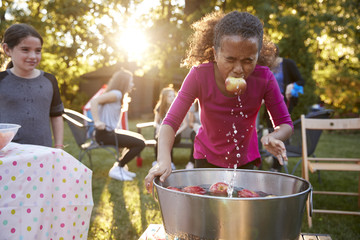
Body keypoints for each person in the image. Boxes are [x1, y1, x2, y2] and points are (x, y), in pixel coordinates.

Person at [145, 11, 293, 192]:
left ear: (257, 54)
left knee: (240, 215)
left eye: (248, 60)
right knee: (208, 214)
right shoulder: (199, 75)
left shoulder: (265, 79)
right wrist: (163, 160)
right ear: (215, 54)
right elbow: (170, 123)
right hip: (206, 159)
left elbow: (285, 124)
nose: (238, 69)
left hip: (245, 161)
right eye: (230, 59)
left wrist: (273, 137)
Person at [0, 23, 64, 148]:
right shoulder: (1, 80)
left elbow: (56, 116)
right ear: (7, 50)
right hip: (6, 154)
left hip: (42, 152)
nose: (33, 56)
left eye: (38, 51)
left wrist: (59, 146)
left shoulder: (49, 80)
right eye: (25, 50)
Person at [90, 69, 146, 181]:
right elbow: (94, 101)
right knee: (140, 143)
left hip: (110, 132)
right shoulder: (117, 94)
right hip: (104, 134)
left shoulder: (118, 95)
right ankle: (118, 167)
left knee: (139, 139)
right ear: (124, 82)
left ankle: (120, 167)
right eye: (131, 81)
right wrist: (97, 122)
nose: (132, 84)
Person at [266, 44, 305, 171]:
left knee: (282, 130)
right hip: (268, 104)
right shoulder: (266, 67)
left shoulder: (288, 64)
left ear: (275, 54)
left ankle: (277, 165)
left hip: (284, 103)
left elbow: (301, 81)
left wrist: (292, 85)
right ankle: (275, 159)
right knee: (271, 131)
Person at [153, 86, 188, 170]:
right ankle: (158, 162)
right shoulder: (159, 108)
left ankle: (169, 162)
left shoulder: (178, 108)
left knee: (167, 137)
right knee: (160, 136)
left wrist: (176, 132)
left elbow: (185, 124)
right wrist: (159, 127)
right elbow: (155, 122)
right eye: (169, 96)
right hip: (162, 132)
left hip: (176, 134)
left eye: (173, 95)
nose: (172, 98)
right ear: (164, 98)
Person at [185, 100, 201, 169]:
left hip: (207, 131)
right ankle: (191, 162)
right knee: (196, 138)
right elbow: (190, 124)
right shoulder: (194, 106)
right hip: (195, 130)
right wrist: (196, 125)